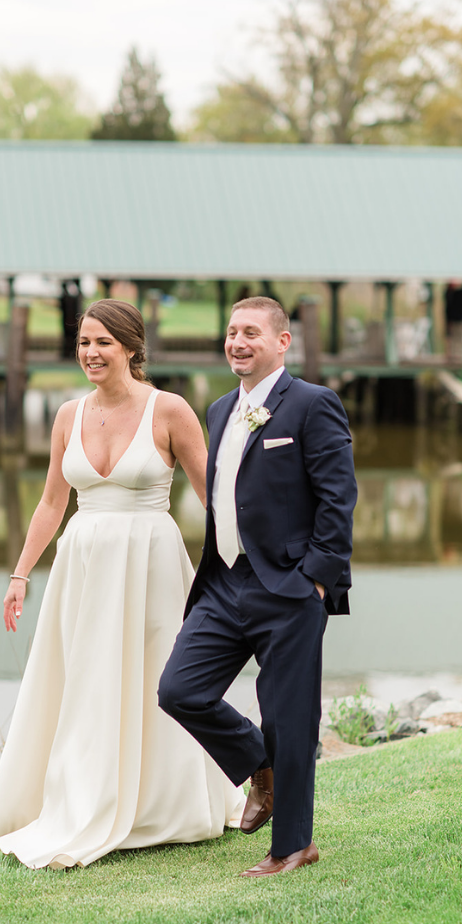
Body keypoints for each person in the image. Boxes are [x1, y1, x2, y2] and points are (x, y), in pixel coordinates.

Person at [0, 300, 243, 869]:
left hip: (152, 564)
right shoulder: (67, 414)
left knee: (159, 679)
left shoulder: (169, 411)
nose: (91, 353)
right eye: (83, 342)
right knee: (87, 681)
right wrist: (20, 572)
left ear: (131, 348)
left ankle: (168, 801)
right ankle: (82, 798)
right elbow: (51, 502)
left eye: (103, 343)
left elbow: (215, 498)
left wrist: (241, 568)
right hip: (83, 567)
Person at [156, 296, 356, 878]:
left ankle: (293, 846)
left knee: (288, 716)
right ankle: (258, 766)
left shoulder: (313, 405)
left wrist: (315, 582)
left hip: (290, 589)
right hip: (224, 583)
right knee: (179, 690)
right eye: (231, 332)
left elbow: (338, 501)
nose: (238, 342)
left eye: (251, 333)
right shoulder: (219, 410)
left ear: (281, 342)